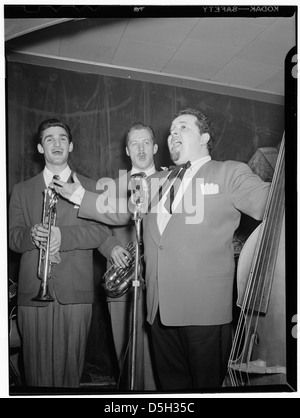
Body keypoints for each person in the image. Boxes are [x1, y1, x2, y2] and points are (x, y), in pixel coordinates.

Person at [53, 108, 271, 391]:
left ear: (204, 137)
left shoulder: (229, 172)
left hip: (204, 313)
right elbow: (121, 211)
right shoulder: (155, 181)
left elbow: (271, 202)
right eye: (171, 129)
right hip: (159, 312)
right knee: (171, 391)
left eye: (183, 127)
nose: (174, 133)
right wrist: (80, 195)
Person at [8, 118, 112, 388]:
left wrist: (62, 236)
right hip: (33, 291)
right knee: (35, 373)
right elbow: (12, 238)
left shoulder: (90, 186)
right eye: (49, 139)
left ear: (71, 146)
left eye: (62, 138)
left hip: (75, 291)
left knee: (70, 374)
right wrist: (31, 235)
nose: (57, 143)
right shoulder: (21, 190)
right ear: (40, 148)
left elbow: (101, 232)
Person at [97, 123, 157, 390]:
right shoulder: (112, 187)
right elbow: (96, 230)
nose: (141, 148)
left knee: (161, 359)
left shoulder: (173, 184)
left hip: (161, 282)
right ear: (127, 150)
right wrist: (111, 247)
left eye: (146, 143)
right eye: (135, 143)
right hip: (122, 280)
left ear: (155, 147)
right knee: (126, 358)